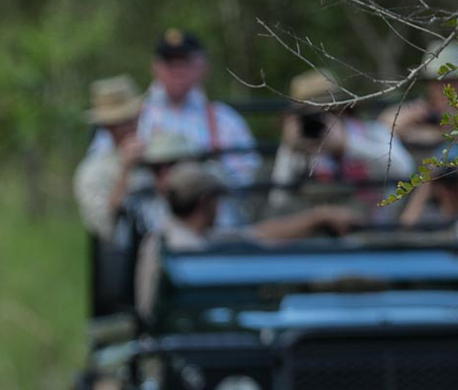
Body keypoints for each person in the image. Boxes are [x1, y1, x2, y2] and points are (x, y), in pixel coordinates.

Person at [136, 158, 361, 317]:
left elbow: (258, 234)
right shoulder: (179, 249)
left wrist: (317, 217)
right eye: (216, 200)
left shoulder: (188, 237)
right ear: (206, 202)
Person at [88, 29, 264, 197]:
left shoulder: (225, 119)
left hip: (212, 218)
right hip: (149, 219)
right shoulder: (129, 119)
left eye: (185, 61)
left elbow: (247, 176)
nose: (177, 69)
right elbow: (99, 172)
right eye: (169, 62)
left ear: (203, 66)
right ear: (155, 67)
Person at [268, 68, 414, 204]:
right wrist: (290, 150)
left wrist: (347, 146)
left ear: (343, 108)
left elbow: (405, 170)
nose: (320, 119)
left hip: (373, 225)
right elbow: (277, 200)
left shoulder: (373, 133)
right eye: (309, 114)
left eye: (329, 109)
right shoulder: (297, 148)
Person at [72, 76, 152, 239]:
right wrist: (125, 169)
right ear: (106, 127)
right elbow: (104, 226)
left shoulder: (158, 154)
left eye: (130, 119)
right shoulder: (92, 171)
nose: (127, 127)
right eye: (118, 122)